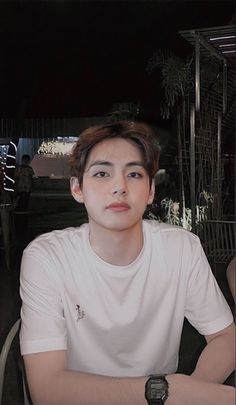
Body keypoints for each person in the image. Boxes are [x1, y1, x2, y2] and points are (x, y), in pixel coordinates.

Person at [19, 121, 235, 405]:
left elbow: (225, 337)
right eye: (101, 173)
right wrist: (164, 392)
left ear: (150, 190)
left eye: (133, 174)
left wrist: (192, 391)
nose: (119, 187)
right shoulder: (48, 258)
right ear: (77, 189)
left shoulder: (180, 248)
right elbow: (48, 389)